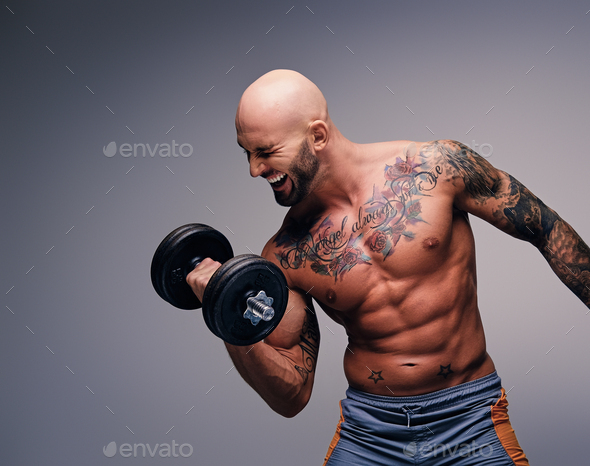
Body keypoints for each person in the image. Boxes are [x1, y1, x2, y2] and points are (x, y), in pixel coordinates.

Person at [187, 69, 590, 465]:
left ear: (318, 136)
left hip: (469, 421)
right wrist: (226, 313)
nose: (254, 169)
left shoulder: (435, 167)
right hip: (370, 435)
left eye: (266, 152)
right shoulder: (285, 254)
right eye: (247, 152)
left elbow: (547, 229)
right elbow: (291, 395)